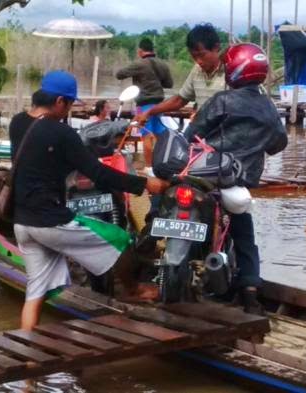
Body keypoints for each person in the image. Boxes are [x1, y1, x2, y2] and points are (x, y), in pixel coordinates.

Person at [8, 70, 168, 330]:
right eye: (69, 104)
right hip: (50, 223)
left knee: (34, 293)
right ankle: (134, 289)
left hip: (22, 223)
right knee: (120, 238)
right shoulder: (62, 134)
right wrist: (144, 184)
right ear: (60, 101)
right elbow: (98, 173)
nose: (69, 110)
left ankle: (26, 350)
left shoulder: (17, 123)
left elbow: (40, 163)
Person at [184, 43, 288, 314]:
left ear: (233, 70)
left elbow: (191, 134)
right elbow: (278, 144)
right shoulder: (268, 108)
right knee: (245, 237)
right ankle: (251, 291)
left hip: (206, 177)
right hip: (238, 183)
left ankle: (150, 239)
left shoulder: (222, 100)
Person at [133, 23, 226, 127]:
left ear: (216, 47)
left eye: (202, 55)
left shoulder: (231, 71)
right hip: (203, 132)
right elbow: (180, 100)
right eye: (194, 57)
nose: (198, 61)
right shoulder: (197, 70)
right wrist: (149, 112)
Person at [116, 38, 173, 166]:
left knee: (146, 136)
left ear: (140, 51)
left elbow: (119, 74)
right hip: (160, 105)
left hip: (144, 105)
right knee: (159, 136)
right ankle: (162, 164)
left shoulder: (139, 64)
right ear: (153, 50)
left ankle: (149, 167)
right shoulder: (162, 64)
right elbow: (169, 84)